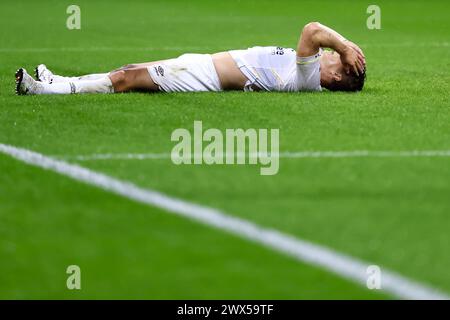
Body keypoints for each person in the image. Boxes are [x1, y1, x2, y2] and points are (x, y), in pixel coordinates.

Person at [15, 22, 366, 96]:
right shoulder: (312, 68)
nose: (334, 54)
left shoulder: (308, 79)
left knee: (126, 79)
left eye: (339, 61)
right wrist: (345, 47)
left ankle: (42, 92)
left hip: (204, 76)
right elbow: (318, 37)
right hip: (204, 64)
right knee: (130, 70)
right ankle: (58, 82)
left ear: (334, 79)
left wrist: (346, 44)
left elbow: (311, 30)